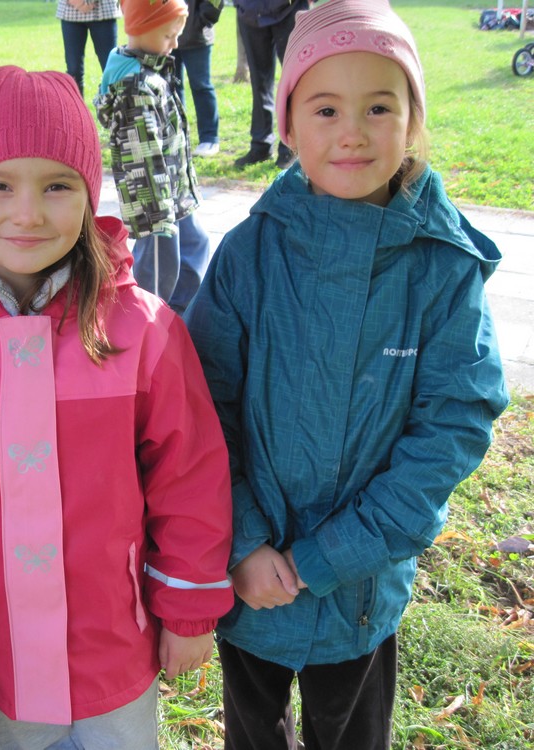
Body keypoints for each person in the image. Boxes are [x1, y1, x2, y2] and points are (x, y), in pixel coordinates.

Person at [185, 2, 510, 748]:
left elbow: (453, 425)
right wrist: (244, 542)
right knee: (253, 732)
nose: (353, 132)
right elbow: (201, 407)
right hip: (251, 584)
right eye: (326, 109)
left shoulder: (441, 268)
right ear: (289, 125)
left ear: (413, 121)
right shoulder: (250, 254)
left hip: (361, 591)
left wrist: (329, 558)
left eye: (379, 108)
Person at [0, 65, 234, 749]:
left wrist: (187, 605)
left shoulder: (143, 330)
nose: (28, 213)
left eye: (57, 186)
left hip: (114, 642)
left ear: (90, 197)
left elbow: (189, 475)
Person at [96, 0, 211, 314]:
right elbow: (141, 156)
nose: (175, 44)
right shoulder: (135, 87)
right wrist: (157, 214)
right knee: (159, 268)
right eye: (168, 36)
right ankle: (148, 321)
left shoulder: (152, 70)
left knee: (196, 244)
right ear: (142, 29)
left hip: (173, 190)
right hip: (155, 201)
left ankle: (180, 314)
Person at [232, 0, 308, 169]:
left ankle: (290, 147)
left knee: (295, 82)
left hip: (289, 10)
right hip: (250, 12)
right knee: (259, 83)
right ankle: (261, 145)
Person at [172, 0, 223, 158]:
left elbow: (214, 4)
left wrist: (202, 19)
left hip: (197, 34)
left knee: (201, 86)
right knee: (171, 88)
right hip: (167, 34)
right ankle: (177, 136)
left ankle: (209, 138)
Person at [56, 0, 121, 97]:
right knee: (74, 70)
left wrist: (88, 2)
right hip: (70, 12)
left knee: (110, 68)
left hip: (104, 11)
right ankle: (76, 106)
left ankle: (116, 105)